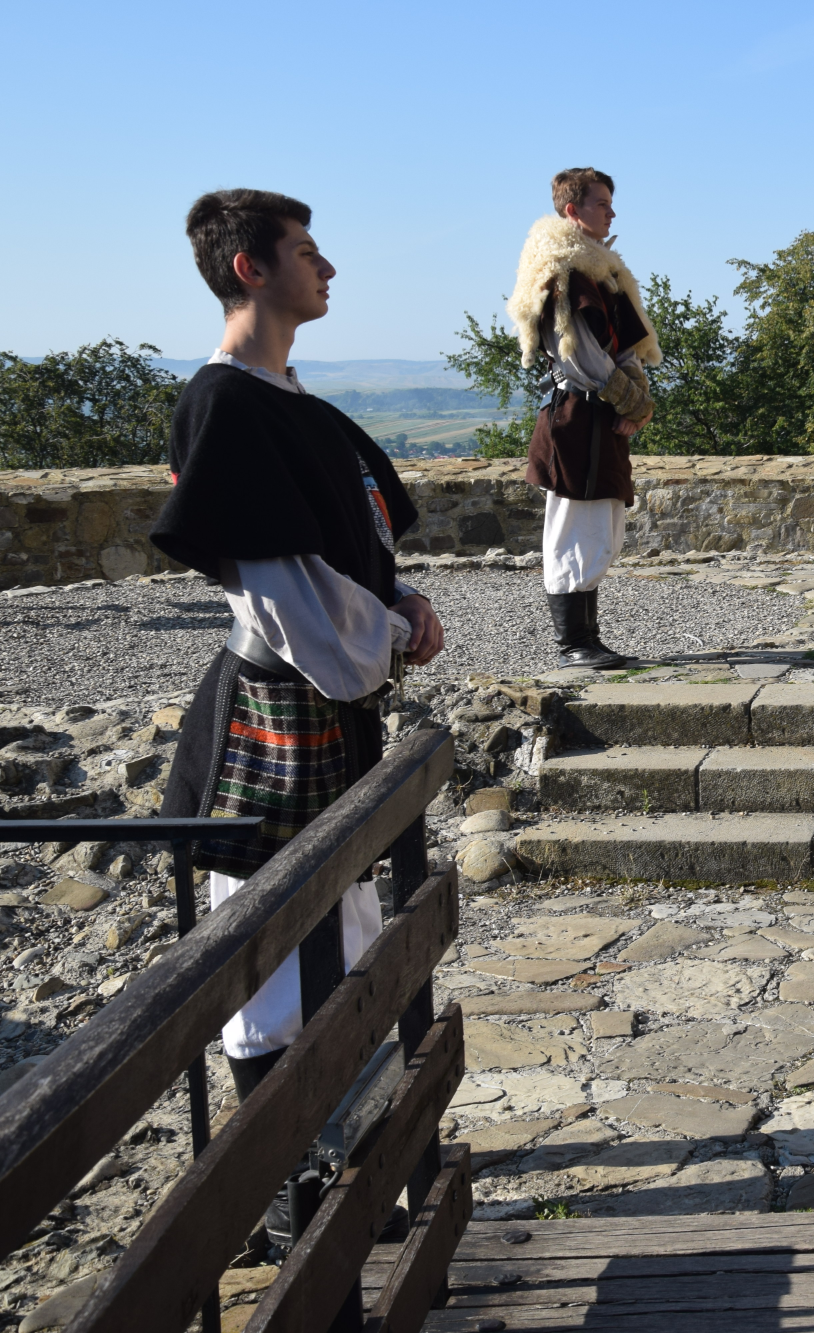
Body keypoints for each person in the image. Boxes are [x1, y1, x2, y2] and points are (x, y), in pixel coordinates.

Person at [154, 189, 444, 1243]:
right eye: (308, 253)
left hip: (332, 699)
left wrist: (403, 603)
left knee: (344, 927)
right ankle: (291, 1205)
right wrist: (383, 639)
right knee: (271, 950)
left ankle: (349, 1176)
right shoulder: (225, 404)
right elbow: (280, 591)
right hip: (281, 708)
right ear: (251, 271)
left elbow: (352, 552)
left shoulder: (293, 400)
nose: (329, 270)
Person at [507, 167, 660, 669]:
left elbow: (621, 348)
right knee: (575, 527)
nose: (611, 213)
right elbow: (580, 357)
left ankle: (588, 638)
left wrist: (636, 395)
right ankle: (574, 644)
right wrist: (630, 400)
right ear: (572, 210)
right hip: (577, 415)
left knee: (602, 527)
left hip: (601, 416)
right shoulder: (562, 274)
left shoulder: (600, 272)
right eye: (601, 203)